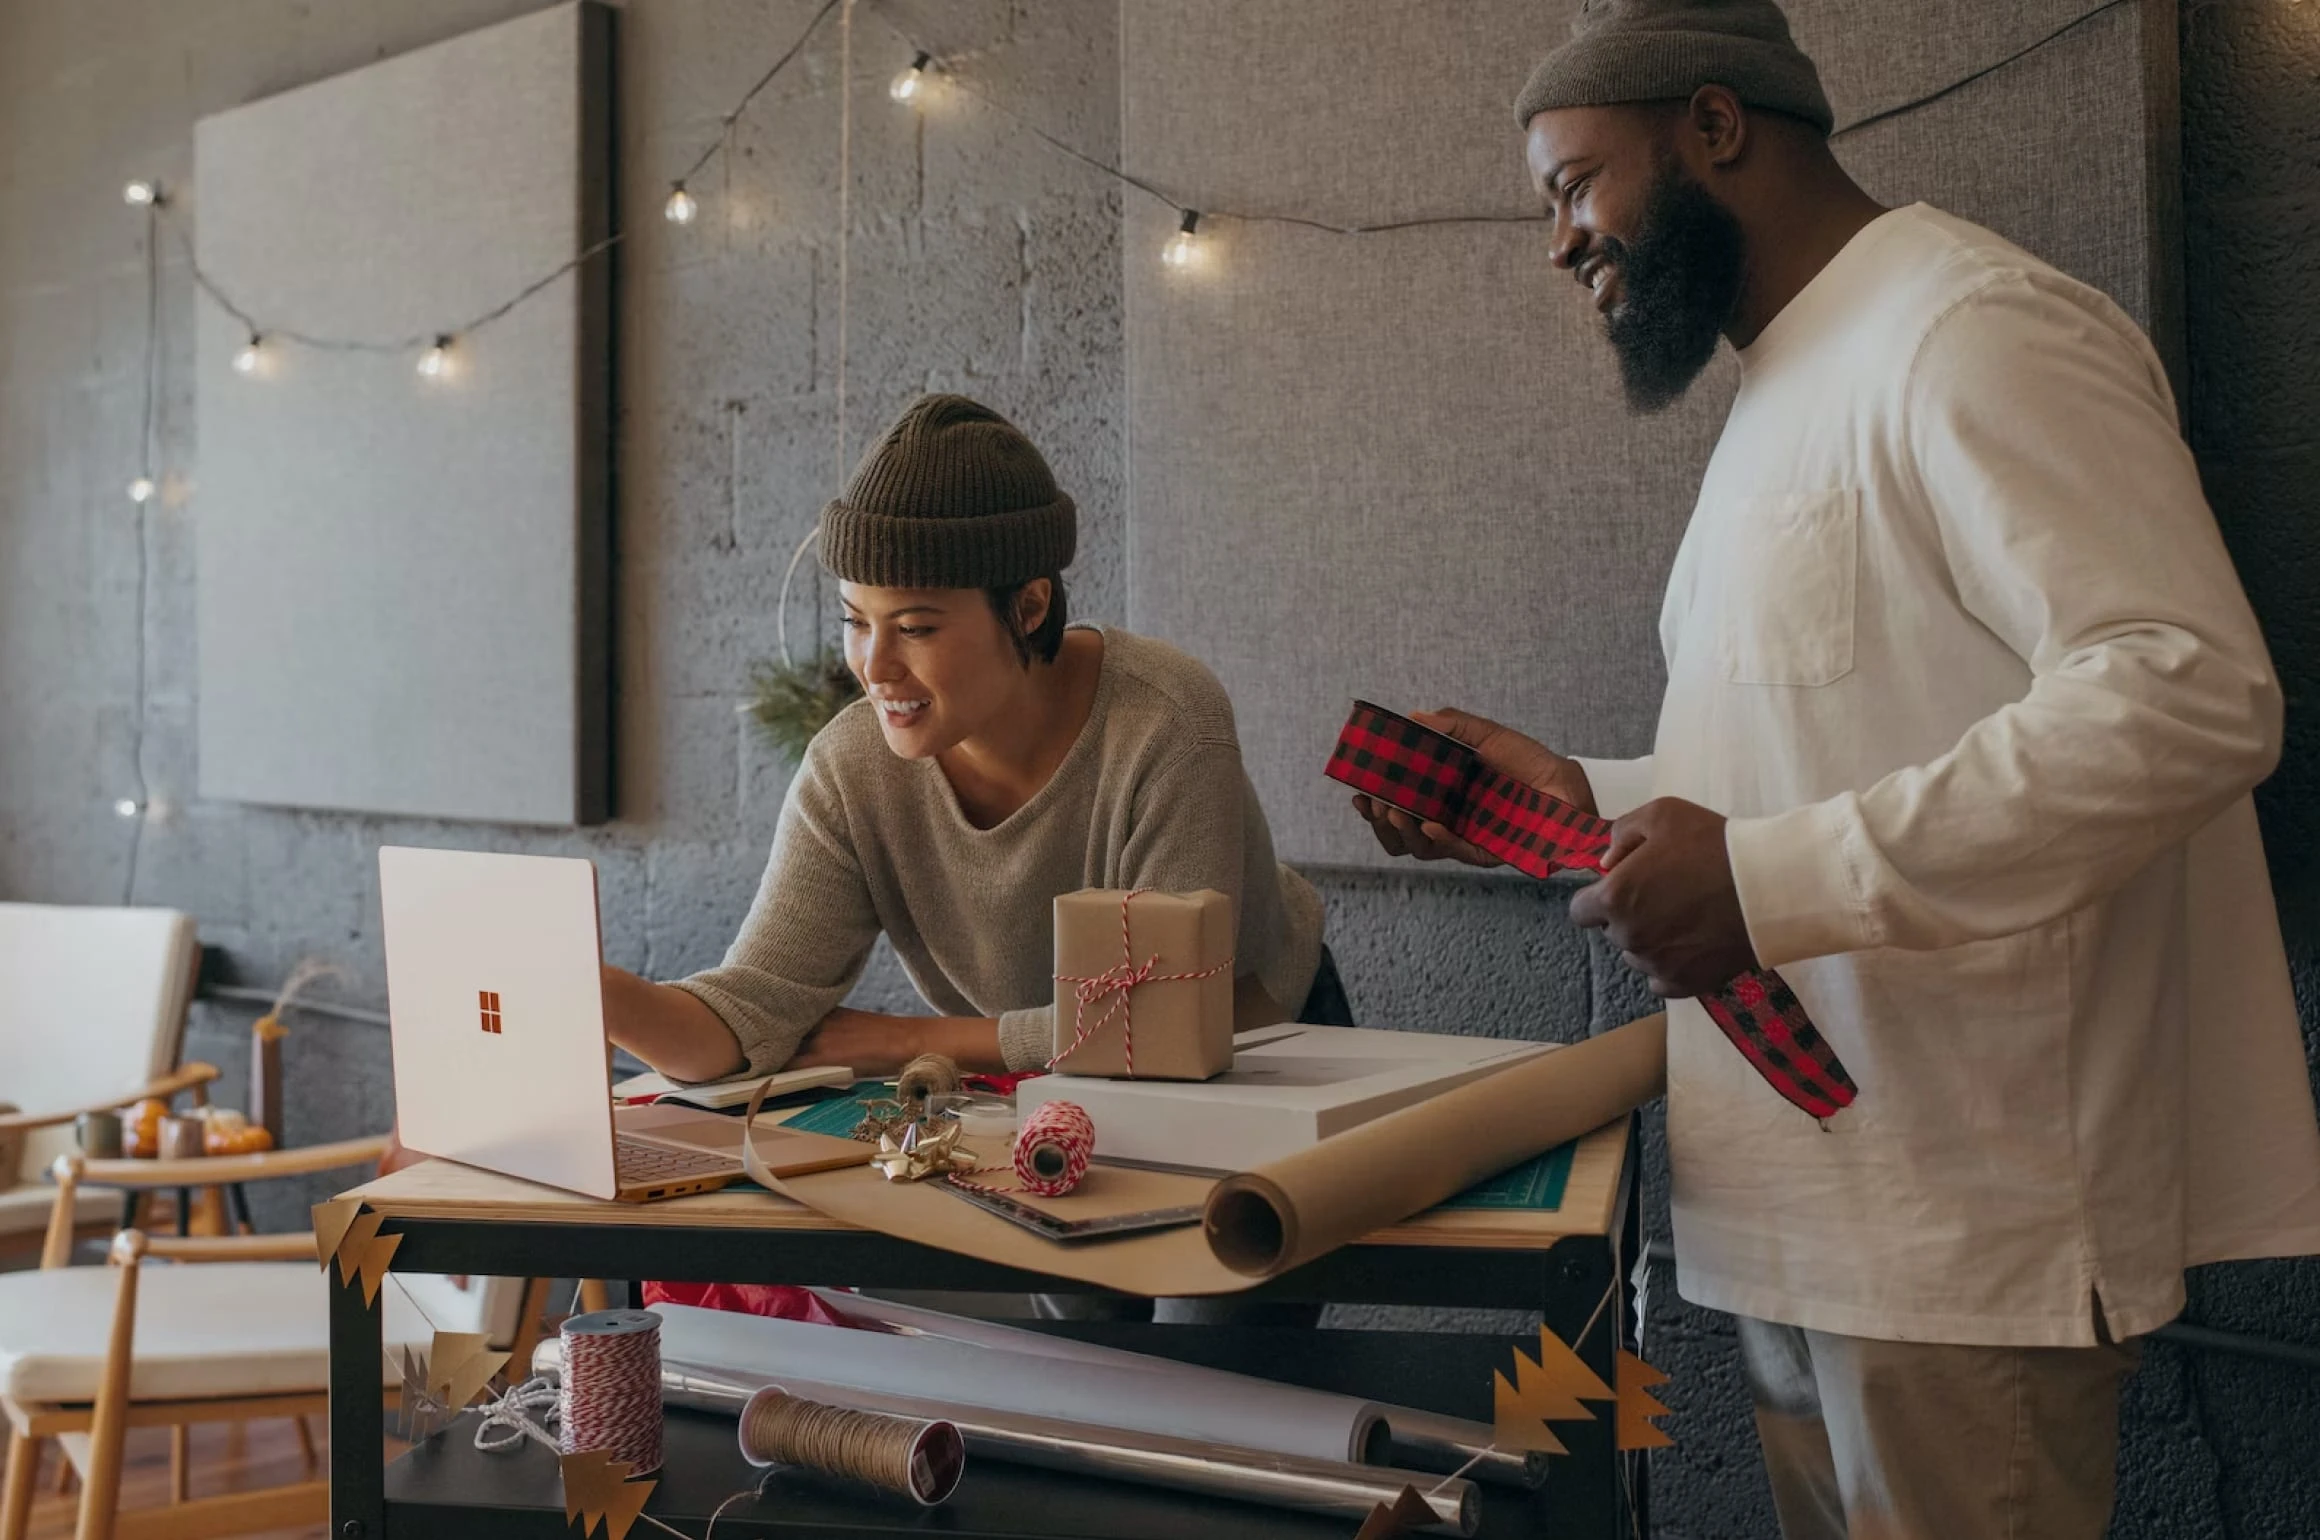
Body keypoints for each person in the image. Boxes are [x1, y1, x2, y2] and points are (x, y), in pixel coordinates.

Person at [1353, 3, 2320, 1536]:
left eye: (1575, 183)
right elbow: (1791, 770)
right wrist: (1575, 802)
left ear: (1717, 129)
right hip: (1800, 1221)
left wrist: (1759, 880)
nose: (1559, 241)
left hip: (1960, 1226)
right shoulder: (1779, 393)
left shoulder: (1972, 326)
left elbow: (2186, 693)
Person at [606, 391, 1338, 1089]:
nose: (874, 666)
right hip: (1037, 1069)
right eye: (855, 621)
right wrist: (590, 991)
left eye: (915, 628)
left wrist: (907, 1041)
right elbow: (749, 1015)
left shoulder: (1166, 721)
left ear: (1028, 606)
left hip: (1267, 1057)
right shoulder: (850, 768)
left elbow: (1162, 1020)